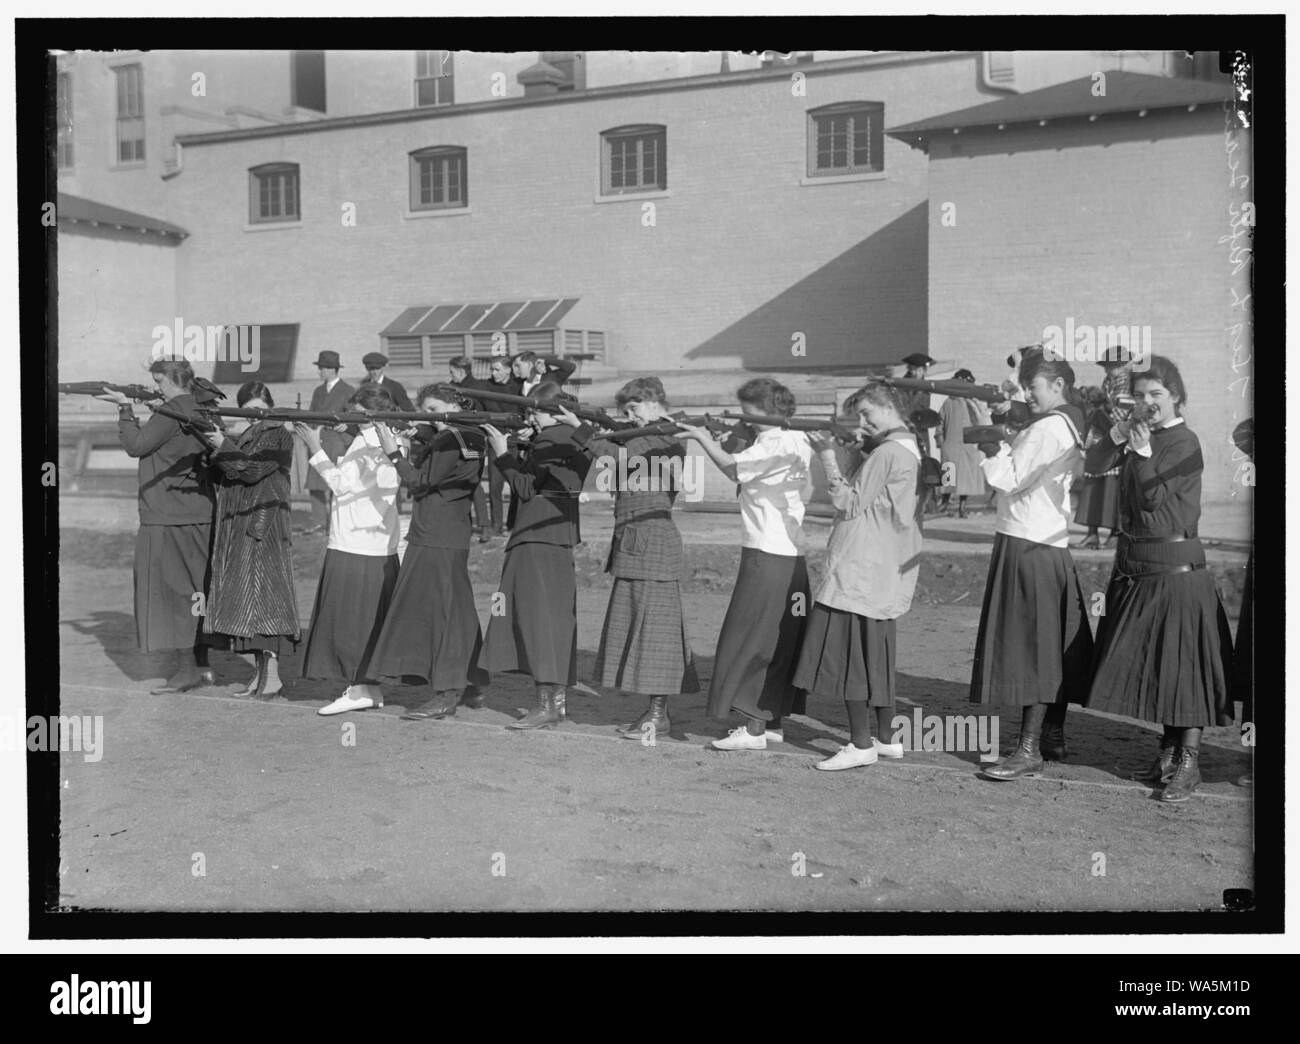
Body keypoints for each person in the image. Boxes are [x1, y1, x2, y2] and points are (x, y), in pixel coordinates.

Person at [1085, 355, 1235, 802]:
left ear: (1177, 397)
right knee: (1159, 664)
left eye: (1157, 395)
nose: (1148, 403)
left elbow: (1152, 499)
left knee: (1185, 667)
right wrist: (1117, 435)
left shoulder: (1184, 442)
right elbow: (1093, 464)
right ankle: (1169, 753)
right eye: (1141, 395)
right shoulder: (1140, 437)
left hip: (1176, 569)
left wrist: (1143, 450)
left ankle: (1189, 763)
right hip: (1140, 568)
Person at [555, 377, 700, 740]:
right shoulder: (645, 434)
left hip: (654, 545)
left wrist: (582, 429)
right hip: (636, 543)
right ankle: (653, 711)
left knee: (657, 634)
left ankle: (658, 713)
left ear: (652, 403)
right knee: (638, 629)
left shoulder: (667, 436)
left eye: (634, 409)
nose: (629, 416)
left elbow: (622, 457)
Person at [970, 355, 1094, 781]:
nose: (1028, 395)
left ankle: (1027, 749)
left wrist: (991, 443)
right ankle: (1051, 736)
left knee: (1030, 650)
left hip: (1026, 541)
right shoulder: (1070, 420)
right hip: (1049, 543)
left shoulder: (1045, 428)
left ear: (1057, 384)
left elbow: (1009, 477)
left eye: (1034, 387)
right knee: (1051, 644)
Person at [676, 377, 813, 750]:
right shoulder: (793, 437)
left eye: (750, 411)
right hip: (788, 553)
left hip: (767, 552)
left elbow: (733, 470)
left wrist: (701, 438)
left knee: (749, 638)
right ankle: (769, 721)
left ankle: (753, 728)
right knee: (776, 639)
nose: (746, 418)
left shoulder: (778, 441)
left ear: (767, 409)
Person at [795, 383, 924, 769]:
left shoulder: (886, 452)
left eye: (868, 414)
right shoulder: (909, 445)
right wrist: (855, 449)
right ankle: (886, 738)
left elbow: (849, 504)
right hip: (888, 565)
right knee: (878, 656)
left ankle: (860, 743)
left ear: (889, 407)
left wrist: (827, 456)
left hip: (861, 567)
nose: (863, 423)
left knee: (851, 659)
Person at [95, 358, 220, 693]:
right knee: (196, 591)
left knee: (171, 593)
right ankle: (201, 662)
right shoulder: (199, 406)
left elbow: (136, 446)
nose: (157, 388)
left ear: (172, 382)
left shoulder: (171, 411)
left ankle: (187, 669)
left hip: (166, 515)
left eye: (160, 382)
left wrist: (124, 409)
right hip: (196, 512)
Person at [367, 385, 491, 719]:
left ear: (453, 405)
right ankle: (471, 682)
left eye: (435, 409)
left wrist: (394, 452)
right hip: (450, 532)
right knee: (458, 612)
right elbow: (444, 465)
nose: (430, 415)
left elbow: (421, 481)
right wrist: (422, 436)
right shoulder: (469, 434)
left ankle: (446, 692)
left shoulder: (451, 438)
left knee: (440, 613)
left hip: (435, 535)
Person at [480, 383, 595, 729]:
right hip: (558, 538)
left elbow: (526, 487)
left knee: (535, 620)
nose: (531, 416)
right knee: (555, 621)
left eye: (536, 411)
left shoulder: (550, 438)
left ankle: (547, 705)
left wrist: (502, 452)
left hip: (535, 538)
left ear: (551, 412)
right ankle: (555, 703)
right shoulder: (573, 435)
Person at [295, 385, 403, 716]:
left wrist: (315, 448)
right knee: (369, 620)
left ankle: (358, 689)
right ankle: (368, 687)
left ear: (365, 415)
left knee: (349, 621)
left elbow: (342, 485)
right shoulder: (390, 440)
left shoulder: (368, 444)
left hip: (354, 543)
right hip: (377, 544)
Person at [197, 382, 300, 697]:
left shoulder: (279, 434)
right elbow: (231, 470)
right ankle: (261, 675)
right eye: (248, 410)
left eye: (258, 409)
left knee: (265, 599)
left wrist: (222, 446)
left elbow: (252, 470)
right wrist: (217, 446)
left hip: (263, 522)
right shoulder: (245, 435)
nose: (254, 416)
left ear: (268, 405)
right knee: (249, 601)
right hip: (243, 522)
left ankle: (273, 677)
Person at [304, 351, 355, 535]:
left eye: (322, 368)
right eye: (319, 368)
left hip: (337, 443)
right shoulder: (318, 391)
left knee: (335, 483)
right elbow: (311, 414)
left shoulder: (348, 391)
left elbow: (352, 421)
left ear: (332, 369)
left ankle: (335, 523)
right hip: (319, 441)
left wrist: (345, 442)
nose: (319, 372)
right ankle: (318, 522)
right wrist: (311, 436)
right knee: (315, 484)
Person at [447, 356, 492, 542]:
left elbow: (486, 412)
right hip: (455, 436)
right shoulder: (451, 387)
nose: (450, 375)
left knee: (474, 482)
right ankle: (458, 523)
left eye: (452, 372)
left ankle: (484, 525)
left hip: (474, 437)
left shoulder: (479, 388)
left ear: (460, 370)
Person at [936, 368, 991, 518]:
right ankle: (945, 504)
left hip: (968, 445)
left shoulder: (973, 402)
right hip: (951, 444)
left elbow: (980, 421)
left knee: (967, 478)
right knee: (949, 475)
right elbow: (939, 422)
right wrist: (940, 440)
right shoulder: (948, 402)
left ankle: (962, 506)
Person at [1073, 385, 1122, 549]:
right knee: (1091, 497)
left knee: (1111, 498)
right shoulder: (1094, 414)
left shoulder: (1103, 414)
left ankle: (1114, 535)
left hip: (1109, 460)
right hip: (1095, 458)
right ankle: (1092, 534)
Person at [483, 356, 520, 536]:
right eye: (492, 369)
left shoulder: (518, 388)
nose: (493, 373)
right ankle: (496, 525)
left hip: (514, 441)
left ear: (508, 370)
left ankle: (512, 524)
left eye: (497, 369)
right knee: (494, 487)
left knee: (515, 486)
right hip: (494, 441)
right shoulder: (486, 387)